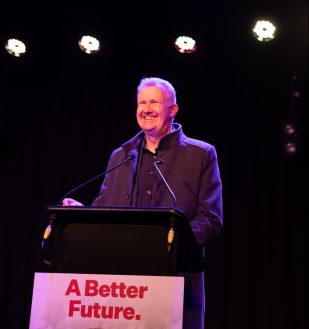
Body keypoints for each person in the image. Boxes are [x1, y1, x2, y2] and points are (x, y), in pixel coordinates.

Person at [62, 77, 223, 329]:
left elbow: (211, 219)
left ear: (173, 109)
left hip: (175, 281)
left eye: (154, 102)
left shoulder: (201, 154)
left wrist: (169, 244)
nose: (146, 109)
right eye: (142, 102)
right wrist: (82, 215)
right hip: (120, 288)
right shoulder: (121, 155)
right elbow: (105, 210)